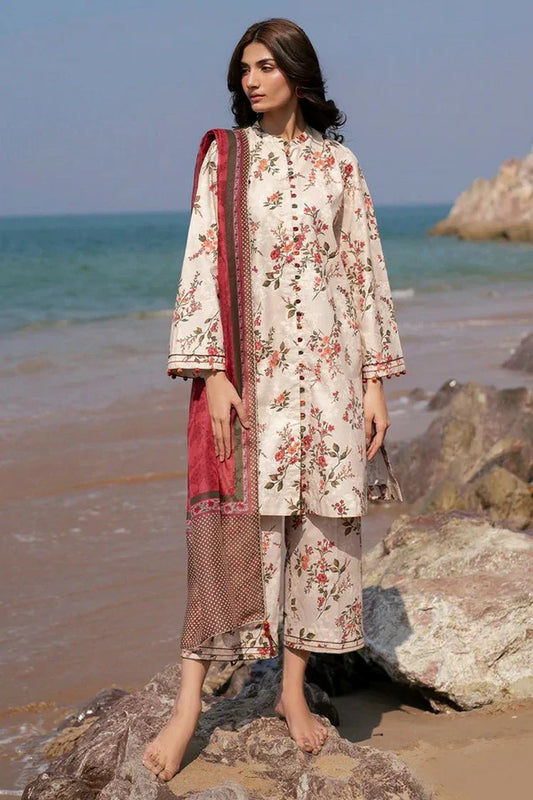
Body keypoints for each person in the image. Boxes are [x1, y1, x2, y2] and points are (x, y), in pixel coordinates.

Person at [143, 17, 406, 782]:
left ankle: (291, 692)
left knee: (317, 535)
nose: (251, 80)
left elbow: (362, 271)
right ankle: (187, 706)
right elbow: (201, 260)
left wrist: (373, 382)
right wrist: (212, 374)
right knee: (234, 538)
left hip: (330, 379)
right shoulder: (226, 159)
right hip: (251, 381)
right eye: (244, 69)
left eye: (265, 66)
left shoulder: (339, 166)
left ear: (297, 72)